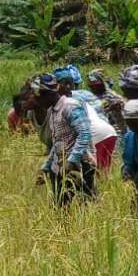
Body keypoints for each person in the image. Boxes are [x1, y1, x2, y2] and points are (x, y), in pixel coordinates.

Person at [35, 73, 97, 205]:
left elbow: (84, 133)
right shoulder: (52, 111)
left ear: (47, 94)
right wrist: (45, 168)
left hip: (80, 167)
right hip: (61, 167)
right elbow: (58, 144)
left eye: (38, 98)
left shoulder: (70, 106)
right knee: (61, 210)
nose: (38, 102)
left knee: (86, 208)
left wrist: (72, 160)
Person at [55, 64, 118, 171]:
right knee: (104, 173)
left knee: (94, 173)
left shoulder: (66, 101)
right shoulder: (84, 95)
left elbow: (82, 132)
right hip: (108, 132)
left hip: (96, 135)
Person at [87, 68, 127, 135]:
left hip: (115, 130)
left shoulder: (111, 96)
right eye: (91, 86)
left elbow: (123, 105)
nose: (94, 88)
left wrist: (116, 107)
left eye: (96, 85)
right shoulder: (89, 96)